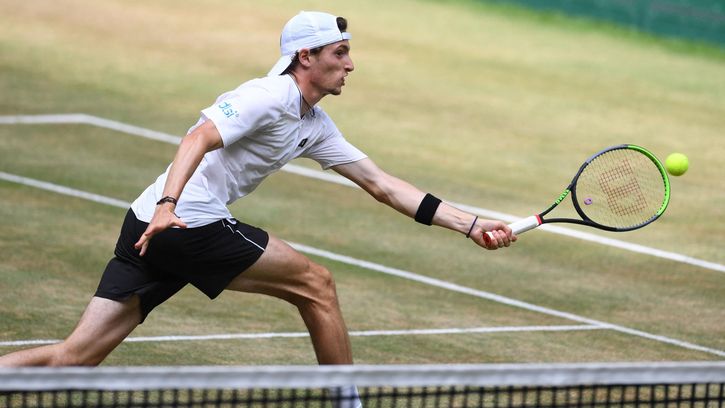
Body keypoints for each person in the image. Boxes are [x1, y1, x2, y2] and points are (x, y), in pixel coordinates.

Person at [0, 10, 514, 371]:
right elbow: (198, 137)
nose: (350, 64)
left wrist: (469, 224)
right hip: (182, 220)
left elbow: (382, 185)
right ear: (306, 56)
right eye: (340, 53)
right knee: (317, 285)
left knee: (75, 359)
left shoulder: (314, 124)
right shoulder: (266, 96)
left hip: (146, 225)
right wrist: (168, 206)